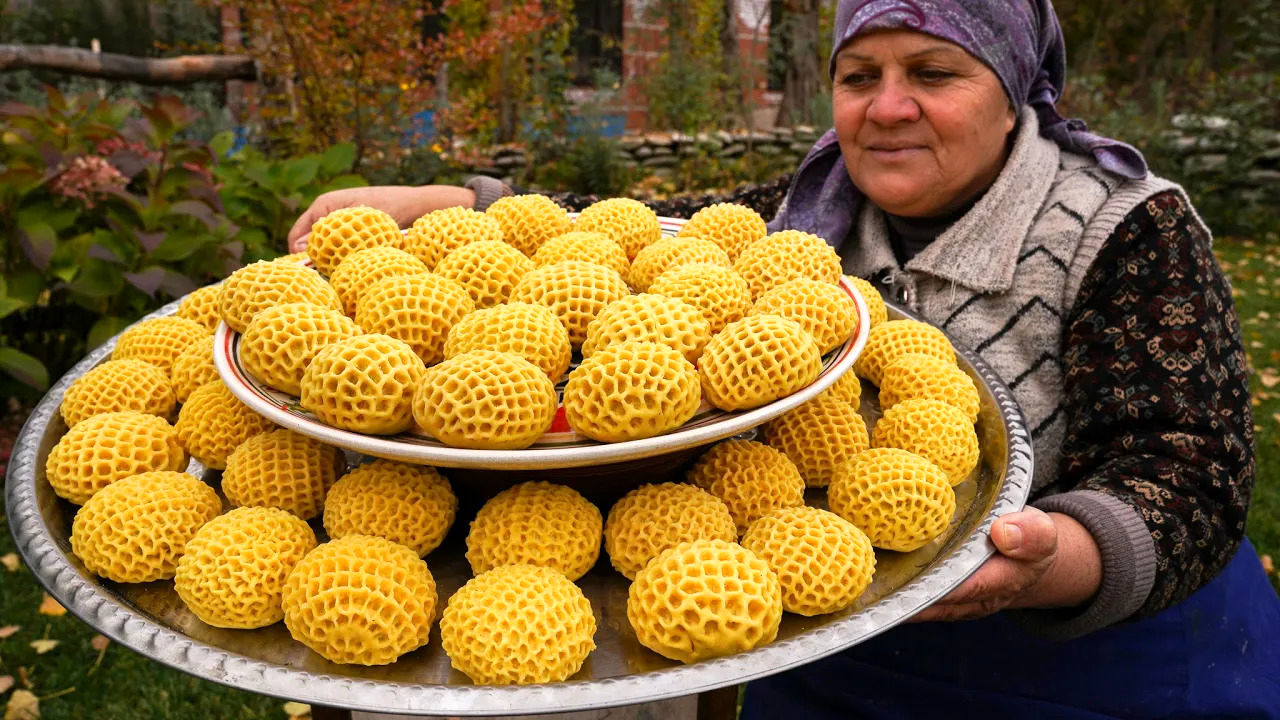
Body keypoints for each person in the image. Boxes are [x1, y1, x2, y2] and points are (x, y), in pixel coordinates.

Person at [290, 0, 1280, 715]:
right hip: (840, 614)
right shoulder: (818, 206)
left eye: (932, 73)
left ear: (1014, 91)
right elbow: (658, 243)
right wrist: (463, 208)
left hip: (1087, 663)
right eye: (860, 77)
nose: (886, 107)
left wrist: (1064, 557)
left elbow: (1187, 463)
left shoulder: (1121, 228)